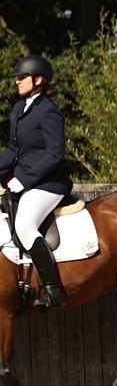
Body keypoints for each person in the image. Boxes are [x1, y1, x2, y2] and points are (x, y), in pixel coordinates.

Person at [1, 54, 72, 309]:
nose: (17, 82)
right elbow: (13, 147)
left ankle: (54, 289)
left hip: (49, 183)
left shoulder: (49, 112)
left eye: (22, 77)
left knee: (24, 224)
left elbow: (55, 154)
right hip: (24, 179)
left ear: (38, 80)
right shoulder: (19, 109)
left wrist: (25, 179)